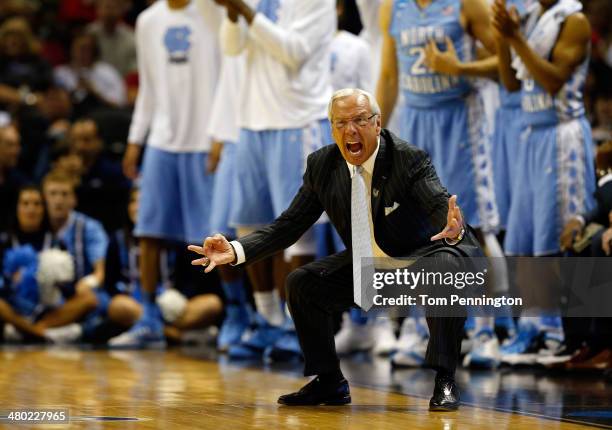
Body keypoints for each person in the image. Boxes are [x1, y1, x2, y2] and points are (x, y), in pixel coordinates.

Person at [190, 89, 482, 411]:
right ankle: (329, 382)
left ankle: (445, 380)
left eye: (359, 120)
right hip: (368, 268)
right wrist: (235, 249)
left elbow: (437, 203)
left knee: (444, 267)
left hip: (417, 261)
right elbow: (289, 225)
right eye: (340, 123)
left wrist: (454, 230)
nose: (350, 131)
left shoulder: (406, 158)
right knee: (301, 283)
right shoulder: (322, 165)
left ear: (377, 123)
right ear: (331, 128)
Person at [213, 0, 335, 361]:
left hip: (296, 120)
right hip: (251, 121)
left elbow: (293, 52)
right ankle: (266, 320)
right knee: (249, 227)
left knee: (296, 232)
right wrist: (234, 14)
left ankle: (296, 325)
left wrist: (247, 13)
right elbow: (231, 47)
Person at [493, 0, 596, 364]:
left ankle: (564, 332)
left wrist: (515, 37)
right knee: (524, 238)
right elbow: (509, 81)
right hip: (530, 135)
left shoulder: (574, 20)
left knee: (560, 238)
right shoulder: (534, 17)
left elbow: (553, 81)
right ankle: (535, 328)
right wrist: (503, 37)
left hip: (561, 134)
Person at [120, 0, 222, 348]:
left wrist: (220, 134)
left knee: (218, 236)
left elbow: (226, 78)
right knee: (148, 230)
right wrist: (136, 139)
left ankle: (240, 312)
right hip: (161, 141)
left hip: (204, 140)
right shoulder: (148, 20)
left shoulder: (212, 12)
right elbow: (147, 86)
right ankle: (148, 316)